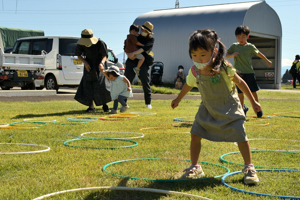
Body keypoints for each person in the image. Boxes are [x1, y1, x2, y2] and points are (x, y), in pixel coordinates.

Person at [171, 29, 262, 185]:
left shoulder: (224, 66)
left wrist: (253, 101)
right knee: (195, 133)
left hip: (229, 106)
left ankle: (249, 168)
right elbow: (188, 85)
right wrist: (178, 98)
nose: (198, 59)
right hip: (208, 107)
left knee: (240, 134)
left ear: (213, 51)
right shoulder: (195, 70)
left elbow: (240, 82)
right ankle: (195, 166)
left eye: (202, 55)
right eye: (194, 55)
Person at [226, 25, 272, 118]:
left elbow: (259, 53)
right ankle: (242, 110)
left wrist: (267, 60)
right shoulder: (234, 46)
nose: (240, 39)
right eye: (238, 37)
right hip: (238, 74)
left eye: (243, 36)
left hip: (249, 72)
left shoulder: (250, 46)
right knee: (240, 93)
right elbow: (227, 55)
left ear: (247, 36)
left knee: (253, 91)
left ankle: (257, 108)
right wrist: (232, 55)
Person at [74, 29, 111, 113]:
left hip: (100, 66)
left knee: (101, 86)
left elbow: (105, 55)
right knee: (88, 86)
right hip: (89, 66)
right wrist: (85, 63)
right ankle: (91, 107)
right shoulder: (81, 44)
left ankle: (105, 106)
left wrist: (101, 63)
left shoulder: (100, 43)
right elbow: (78, 55)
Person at [124, 21, 154, 109]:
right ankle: (123, 102)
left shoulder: (151, 39)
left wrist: (133, 53)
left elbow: (145, 49)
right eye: (143, 30)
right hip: (131, 62)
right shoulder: (135, 36)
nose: (144, 32)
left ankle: (148, 103)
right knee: (127, 82)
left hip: (143, 63)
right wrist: (129, 54)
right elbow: (125, 46)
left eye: (146, 31)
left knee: (145, 82)